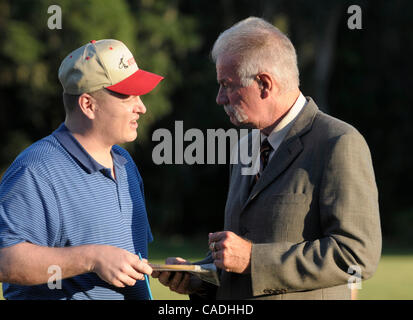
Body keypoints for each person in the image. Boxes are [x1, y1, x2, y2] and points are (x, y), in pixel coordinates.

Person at [152, 17, 382, 300]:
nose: (219, 98)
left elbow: (357, 254)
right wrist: (201, 277)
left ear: (264, 84)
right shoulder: (245, 147)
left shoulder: (338, 143)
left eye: (226, 84)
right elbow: (241, 260)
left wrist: (254, 259)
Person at [0, 39, 163, 299]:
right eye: (127, 96)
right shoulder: (36, 169)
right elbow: (5, 259)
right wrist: (91, 258)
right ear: (88, 105)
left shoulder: (125, 163)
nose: (141, 107)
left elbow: (129, 256)